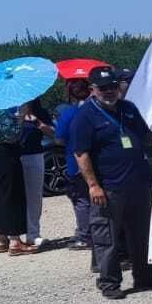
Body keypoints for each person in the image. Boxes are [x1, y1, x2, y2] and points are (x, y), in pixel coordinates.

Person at [71, 66, 152, 300]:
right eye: (103, 88)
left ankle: (145, 276)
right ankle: (109, 282)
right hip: (108, 188)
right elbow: (81, 154)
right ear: (93, 90)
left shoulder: (128, 109)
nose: (109, 92)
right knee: (107, 237)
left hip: (138, 184)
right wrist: (93, 185)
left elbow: (146, 137)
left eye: (113, 86)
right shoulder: (84, 116)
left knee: (141, 234)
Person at [0, 105, 32, 255]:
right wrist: (21, 117)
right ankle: (15, 240)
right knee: (12, 195)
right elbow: (12, 135)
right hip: (4, 153)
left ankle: (1, 238)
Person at [53, 76, 97, 251]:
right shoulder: (96, 109)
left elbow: (58, 139)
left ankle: (85, 235)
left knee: (81, 200)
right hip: (98, 161)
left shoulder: (69, 113)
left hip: (76, 162)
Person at [17, 99, 55, 248]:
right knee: (15, 196)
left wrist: (37, 123)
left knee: (34, 196)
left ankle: (33, 234)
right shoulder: (10, 112)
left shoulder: (41, 113)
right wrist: (19, 120)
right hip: (14, 156)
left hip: (34, 155)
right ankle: (13, 235)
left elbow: (53, 134)